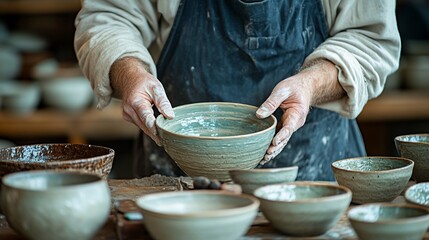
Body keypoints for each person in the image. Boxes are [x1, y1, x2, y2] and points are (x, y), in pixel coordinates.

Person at [74, 0, 401, 181]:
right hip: (178, 188)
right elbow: (109, 16)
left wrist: (312, 83)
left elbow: (371, 38)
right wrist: (130, 72)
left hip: (313, 179)